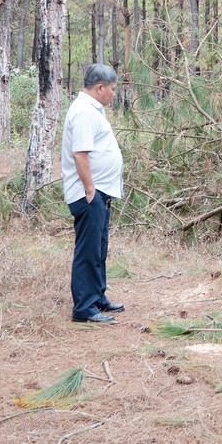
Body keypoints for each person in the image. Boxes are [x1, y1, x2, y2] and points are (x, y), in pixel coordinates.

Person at [61, 64, 124, 323]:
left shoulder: (92, 110)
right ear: (99, 87)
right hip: (89, 192)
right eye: (112, 89)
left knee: (99, 248)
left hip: (99, 192)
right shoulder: (84, 112)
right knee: (88, 250)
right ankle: (84, 308)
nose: (113, 93)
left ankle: (97, 298)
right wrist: (89, 189)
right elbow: (80, 153)